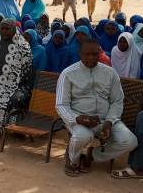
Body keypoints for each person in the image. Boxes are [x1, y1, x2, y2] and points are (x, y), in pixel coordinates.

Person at [56, 38, 137, 177]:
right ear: (79, 53)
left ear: (100, 53)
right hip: (79, 119)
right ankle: (73, 160)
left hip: (105, 119)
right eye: (87, 54)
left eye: (95, 54)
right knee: (83, 136)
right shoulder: (67, 74)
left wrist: (109, 121)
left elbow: (117, 100)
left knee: (130, 141)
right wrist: (77, 118)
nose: (91, 57)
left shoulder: (110, 73)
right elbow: (61, 104)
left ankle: (92, 156)